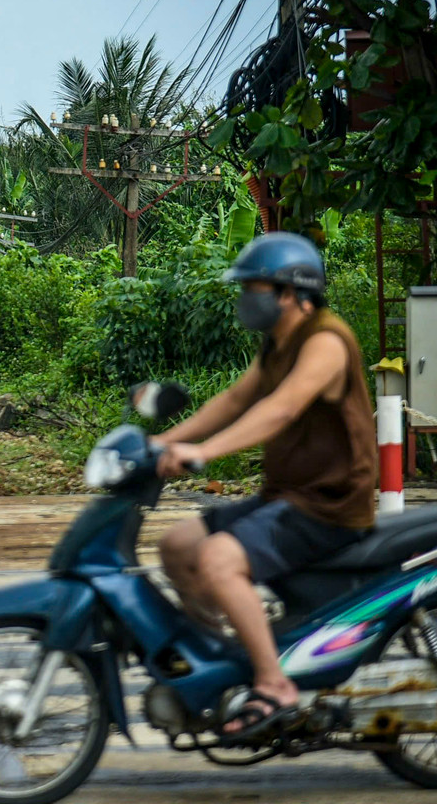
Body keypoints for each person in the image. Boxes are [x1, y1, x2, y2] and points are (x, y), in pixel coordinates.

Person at [152, 231, 376, 741]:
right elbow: (233, 401)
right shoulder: (278, 344)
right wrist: (161, 443)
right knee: (178, 545)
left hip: (328, 505)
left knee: (217, 560)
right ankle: (221, 663)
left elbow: (282, 407)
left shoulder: (325, 340)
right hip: (288, 497)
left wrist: (204, 453)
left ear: (291, 292)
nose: (244, 300)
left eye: (253, 289)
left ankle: (274, 684)